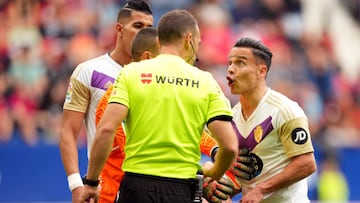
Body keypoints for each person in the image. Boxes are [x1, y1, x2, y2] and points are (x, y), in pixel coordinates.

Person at [80, 9, 238, 203]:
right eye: (197, 43)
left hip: (136, 186)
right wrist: (213, 172)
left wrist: (91, 182)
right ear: (189, 39)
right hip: (181, 188)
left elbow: (105, 129)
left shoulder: (130, 74)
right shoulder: (205, 81)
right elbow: (230, 147)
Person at [58, 1, 153, 203]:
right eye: (138, 26)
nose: (144, 34)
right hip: (103, 186)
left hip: (149, 184)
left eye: (149, 29)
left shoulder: (157, 75)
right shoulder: (90, 71)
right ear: (119, 29)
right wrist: (76, 185)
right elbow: (68, 131)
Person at [226, 37, 316, 203]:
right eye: (230, 63)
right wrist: (224, 191)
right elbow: (250, 172)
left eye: (240, 63)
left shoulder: (284, 110)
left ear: (261, 71)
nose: (231, 69)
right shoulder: (233, 115)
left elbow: (307, 163)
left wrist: (262, 189)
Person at [95, 27, 159, 203]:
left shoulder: (163, 94)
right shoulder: (117, 93)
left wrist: (215, 151)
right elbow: (115, 136)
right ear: (148, 57)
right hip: (116, 192)